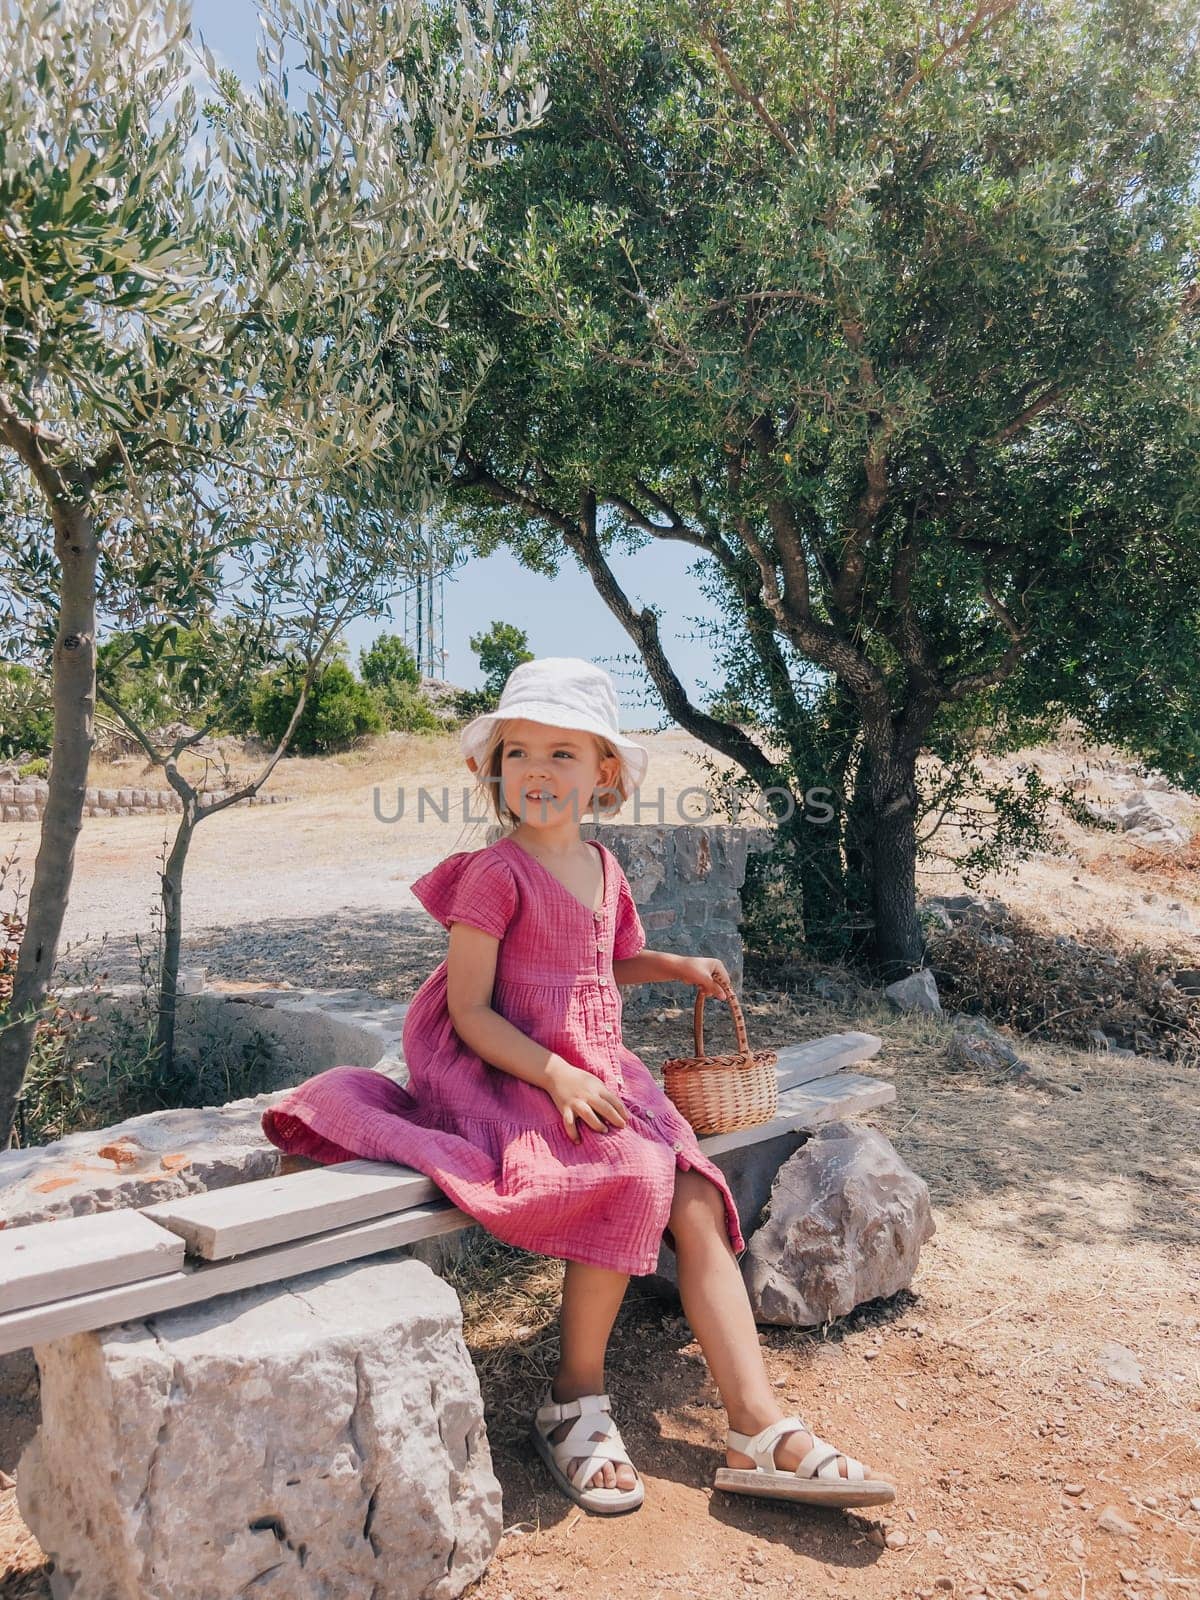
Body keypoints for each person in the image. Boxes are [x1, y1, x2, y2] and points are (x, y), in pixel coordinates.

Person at [261, 656, 894, 1515]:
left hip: (593, 1063)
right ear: (496, 771)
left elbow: (601, 963)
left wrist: (671, 965)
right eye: (518, 752)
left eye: (562, 754)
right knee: (633, 1174)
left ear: (602, 775)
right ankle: (572, 1395)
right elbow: (473, 1009)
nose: (536, 771)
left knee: (696, 1195)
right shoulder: (496, 874)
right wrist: (553, 1072)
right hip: (503, 1068)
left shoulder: (603, 868)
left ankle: (757, 1424)